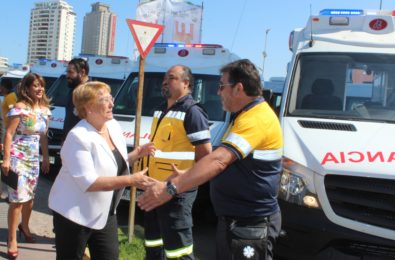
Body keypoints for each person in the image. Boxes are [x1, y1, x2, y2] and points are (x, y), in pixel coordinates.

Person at [138, 59, 283, 260]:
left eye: (221, 86)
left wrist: (172, 187)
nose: (217, 92)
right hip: (237, 220)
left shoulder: (256, 119)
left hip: (250, 221)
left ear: (238, 88)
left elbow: (219, 160)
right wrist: (188, 174)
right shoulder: (244, 116)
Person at [48, 81, 156, 260]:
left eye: (110, 97)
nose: (112, 103)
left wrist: (135, 154)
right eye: (105, 99)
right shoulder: (78, 137)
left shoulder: (113, 125)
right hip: (74, 215)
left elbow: (110, 164)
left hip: (104, 213)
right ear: (89, 106)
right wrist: (131, 180)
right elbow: (89, 182)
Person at [141, 64, 212, 259]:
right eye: (165, 77)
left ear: (186, 83)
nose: (165, 81)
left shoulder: (193, 112)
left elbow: (206, 156)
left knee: (178, 251)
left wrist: (184, 180)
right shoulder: (160, 109)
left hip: (176, 192)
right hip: (154, 188)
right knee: (153, 244)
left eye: (171, 78)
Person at [2, 73, 51, 259]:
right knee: (17, 200)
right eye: (36, 85)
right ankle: (12, 238)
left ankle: (26, 226)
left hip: (33, 159)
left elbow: (44, 136)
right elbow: (9, 134)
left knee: (30, 198)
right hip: (17, 157)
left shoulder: (45, 110)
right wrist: (6, 159)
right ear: (27, 88)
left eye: (42, 86)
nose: (39, 89)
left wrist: (45, 157)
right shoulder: (19, 108)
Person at [63, 57, 89, 139]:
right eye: (67, 72)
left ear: (82, 72)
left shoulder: (91, 92)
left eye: (70, 72)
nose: (67, 76)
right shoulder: (73, 89)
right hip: (70, 140)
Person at [0, 78, 17, 200]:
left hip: (8, 131)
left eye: (1, 86)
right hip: (7, 131)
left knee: (6, 162)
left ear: (4, 87)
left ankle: (8, 193)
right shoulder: (8, 97)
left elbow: (13, 112)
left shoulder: (10, 97)